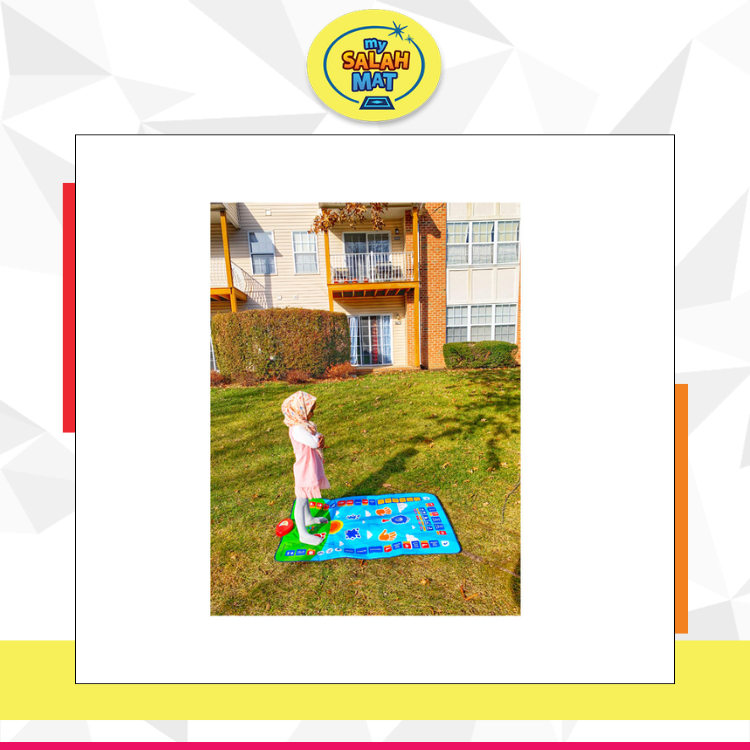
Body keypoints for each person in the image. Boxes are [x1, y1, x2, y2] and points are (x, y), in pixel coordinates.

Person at [281, 391, 330, 546]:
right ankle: (303, 534)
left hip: (309, 465)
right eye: (310, 410)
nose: (312, 413)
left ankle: (308, 519)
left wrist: (319, 436)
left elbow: (315, 435)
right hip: (304, 468)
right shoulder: (297, 429)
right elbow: (313, 442)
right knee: (301, 499)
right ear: (300, 411)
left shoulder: (304, 426)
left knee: (306, 495)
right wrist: (318, 438)